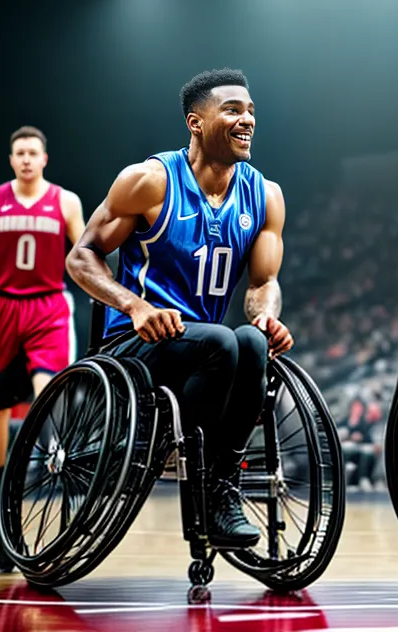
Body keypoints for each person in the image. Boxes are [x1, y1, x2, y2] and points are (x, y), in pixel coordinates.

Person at [66, 68, 293, 547]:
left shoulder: (266, 195)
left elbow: (263, 281)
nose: (247, 119)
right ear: (196, 122)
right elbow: (81, 257)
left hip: (210, 350)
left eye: (251, 111)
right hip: (135, 345)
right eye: (232, 109)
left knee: (250, 339)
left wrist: (266, 314)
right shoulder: (149, 182)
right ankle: (174, 449)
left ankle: (219, 485)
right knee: (221, 341)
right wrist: (134, 307)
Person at [0, 125, 85, 571]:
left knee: (44, 390)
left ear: (44, 159)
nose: (27, 159)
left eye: (33, 152)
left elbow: (85, 252)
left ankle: (39, 463)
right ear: (11, 160)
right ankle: (0, 485)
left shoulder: (66, 202)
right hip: (1, 309)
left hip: (47, 307)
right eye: (19, 153)